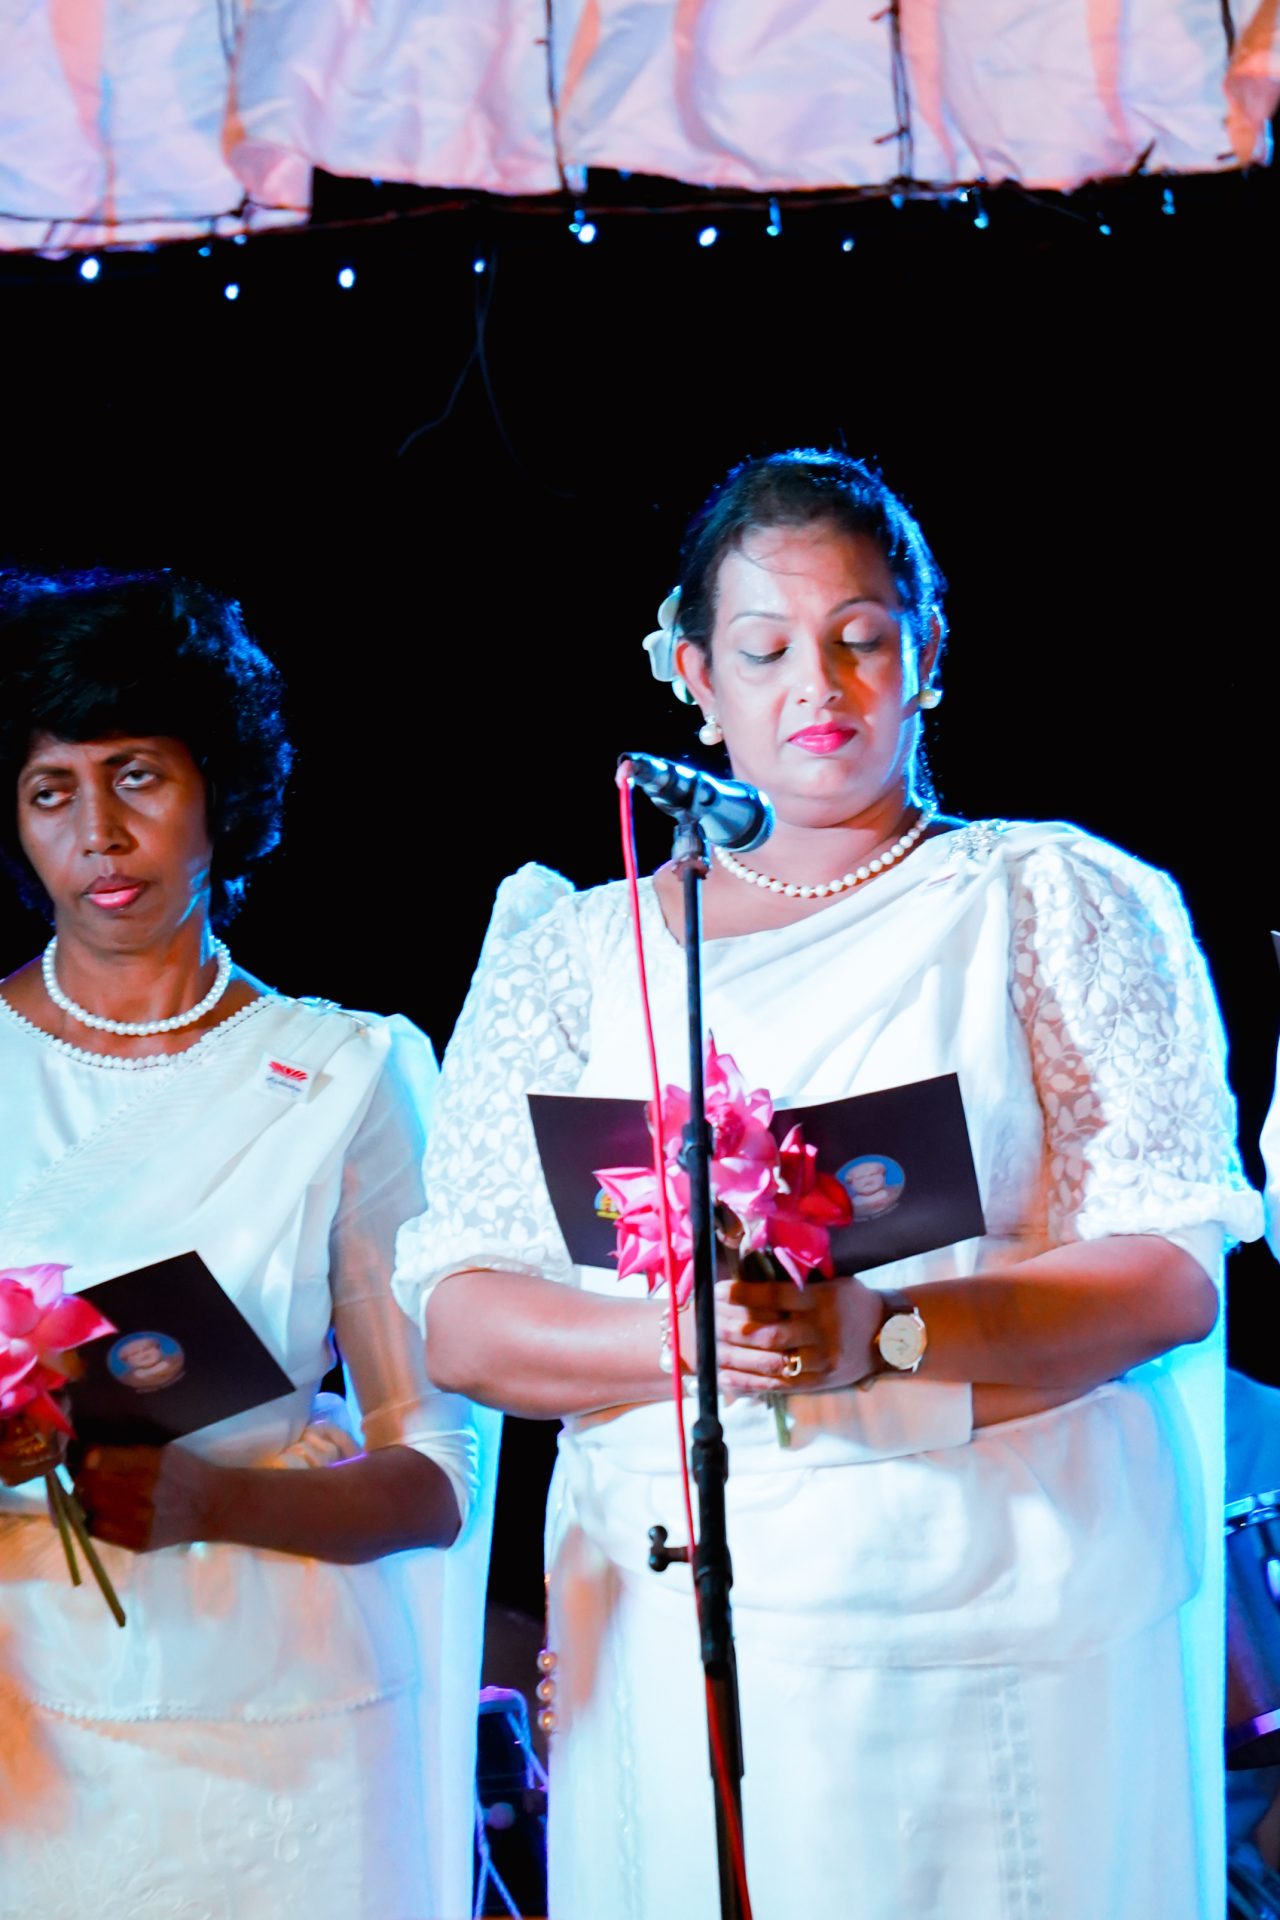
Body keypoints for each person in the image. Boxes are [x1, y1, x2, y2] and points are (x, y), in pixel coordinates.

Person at [392, 449, 1262, 1920]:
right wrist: (692, 1343)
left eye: (862, 637)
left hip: (996, 1591)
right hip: (677, 1615)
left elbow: (1172, 1270)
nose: (822, 684)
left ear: (929, 651)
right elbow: (466, 1318)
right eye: (768, 648)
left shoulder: (1050, 898)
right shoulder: (577, 950)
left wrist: (888, 1333)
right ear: (692, 675)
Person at [0, 571, 499, 1920]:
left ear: (220, 784)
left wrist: (219, 1503)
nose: (100, 834)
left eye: (138, 776)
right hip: (30, 1743)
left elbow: (436, 1473)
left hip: (287, 1745)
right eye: (53, 790)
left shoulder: (350, 1070)